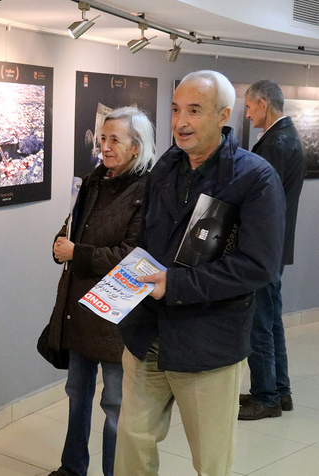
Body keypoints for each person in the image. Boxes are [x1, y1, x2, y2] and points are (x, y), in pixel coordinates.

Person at [114, 71, 286, 476]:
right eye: (175, 110)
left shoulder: (255, 178)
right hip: (147, 337)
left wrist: (175, 284)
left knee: (210, 460)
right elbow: (147, 241)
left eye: (194, 110)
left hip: (208, 344)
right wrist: (124, 279)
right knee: (132, 443)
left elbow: (258, 266)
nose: (181, 122)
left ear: (224, 116)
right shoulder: (164, 169)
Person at [46, 107, 156, 476]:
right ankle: (72, 467)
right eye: (102, 138)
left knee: (114, 405)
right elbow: (71, 229)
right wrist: (61, 242)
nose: (104, 147)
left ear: (137, 148)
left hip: (116, 318)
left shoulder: (148, 192)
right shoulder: (93, 182)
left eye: (114, 140)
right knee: (77, 395)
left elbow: (134, 256)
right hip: (77, 310)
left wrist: (78, 253)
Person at [239, 79, 305, 420]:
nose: (248, 115)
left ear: (263, 103)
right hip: (275, 248)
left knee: (260, 323)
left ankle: (266, 397)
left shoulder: (276, 143)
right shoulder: (285, 138)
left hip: (264, 249)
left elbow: (261, 201)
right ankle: (280, 390)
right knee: (272, 321)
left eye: (250, 107)